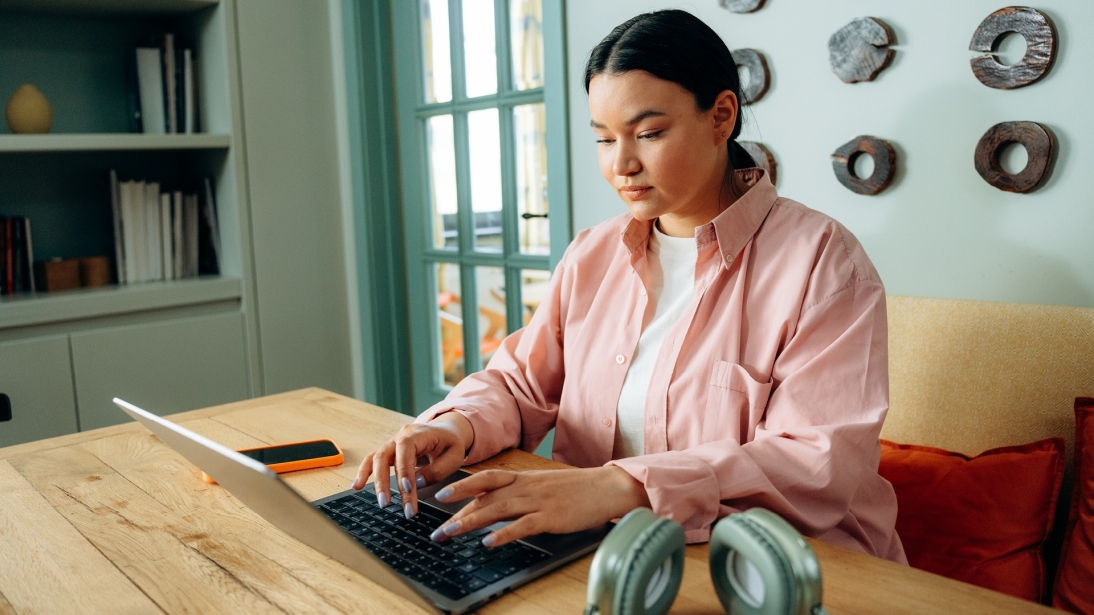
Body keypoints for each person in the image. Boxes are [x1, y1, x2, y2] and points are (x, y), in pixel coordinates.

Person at [353, 8, 906, 563]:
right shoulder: (593, 254)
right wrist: (458, 427)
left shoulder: (823, 262)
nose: (623, 164)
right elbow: (520, 384)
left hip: (781, 563)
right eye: (603, 139)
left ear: (721, 117)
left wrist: (619, 487)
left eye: (648, 133)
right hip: (608, 552)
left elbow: (813, 463)